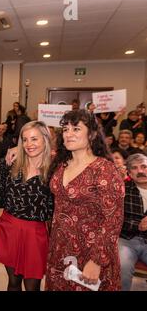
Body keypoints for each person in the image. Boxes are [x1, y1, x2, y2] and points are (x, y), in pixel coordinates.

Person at [46, 109, 124, 291]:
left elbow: (113, 219)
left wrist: (97, 261)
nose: (69, 134)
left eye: (76, 129)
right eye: (65, 129)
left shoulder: (105, 169)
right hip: (60, 249)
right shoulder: (60, 165)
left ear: (92, 134)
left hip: (92, 252)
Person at [0, 121, 53, 291]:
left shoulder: (54, 169)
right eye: (25, 140)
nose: (29, 144)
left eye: (34, 139)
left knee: (32, 287)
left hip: (35, 234)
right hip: (10, 228)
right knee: (13, 283)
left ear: (45, 139)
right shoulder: (13, 163)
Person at [118, 153, 147, 291]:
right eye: (135, 168)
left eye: (144, 166)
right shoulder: (122, 189)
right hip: (127, 240)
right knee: (122, 265)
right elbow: (115, 220)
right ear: (129, 172)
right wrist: (138, 225)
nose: (140, 171)